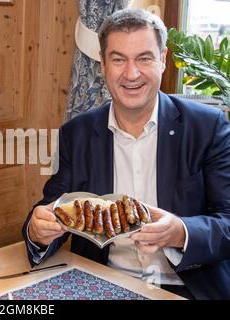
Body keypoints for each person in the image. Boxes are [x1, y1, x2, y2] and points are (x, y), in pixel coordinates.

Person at [22, 8, 230, 300]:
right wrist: (37, 232)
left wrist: (181, 232)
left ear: (163, 60)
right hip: (100, 285)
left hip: (188, 290)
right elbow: (51, 210)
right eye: (118, 59)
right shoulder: (76, 133)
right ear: (103, 64)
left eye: (144, 58)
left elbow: (227, 221)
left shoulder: (208, 127)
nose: (131, 74)